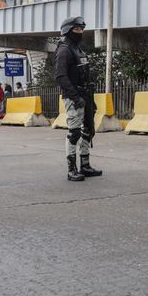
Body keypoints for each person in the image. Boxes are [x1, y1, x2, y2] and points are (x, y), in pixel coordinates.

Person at [55, 16, 103, 181]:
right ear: (68, 30)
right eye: (76, 29)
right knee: (74, 133)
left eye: (81, 29)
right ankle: (72, 169)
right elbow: (61, 77)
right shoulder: (64, 49)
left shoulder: (78, 49)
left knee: (88, 130)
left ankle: (85, 165)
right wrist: (75, 97)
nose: (80, 32)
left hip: (86, 95)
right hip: (74, 96)